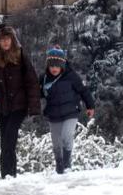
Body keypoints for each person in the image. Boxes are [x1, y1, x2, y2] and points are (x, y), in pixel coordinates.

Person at [0, 24, 41, 179]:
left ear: (13, 40)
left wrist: (34, 107)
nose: (6, 42)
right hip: (0, 105)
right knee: (4, 138)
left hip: (18, 104)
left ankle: (9, 174)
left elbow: (31, 81)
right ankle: (6, 174)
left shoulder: (21, 56)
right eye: (3, 40)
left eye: (8, 39)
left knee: (10, 136)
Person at [39, 46, 94, 174]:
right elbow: (38, 93)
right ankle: (59, 166)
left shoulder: (71, 76)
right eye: (51, 66)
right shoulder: (44, 78)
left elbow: (83, 90)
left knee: (67, 136)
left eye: (57, 66)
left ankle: (67, 162)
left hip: (71, 112)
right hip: (53, 114)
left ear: (62, 66)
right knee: (56, 143)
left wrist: (90, 106)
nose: (54, 68)